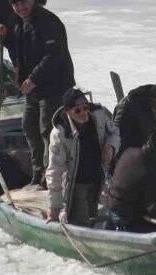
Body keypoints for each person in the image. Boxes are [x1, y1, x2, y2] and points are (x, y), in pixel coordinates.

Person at [0, 0, 75, 187]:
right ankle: (38, 174)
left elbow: (54, 55)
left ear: (32, 0)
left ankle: (51, 179)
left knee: (48, 130)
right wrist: (5, 38)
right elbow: (19, 51)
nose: (20, 7)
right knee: (29, 126)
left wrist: (34, 78)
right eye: (16, 4)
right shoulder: (20, 23)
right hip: (33, 88)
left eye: (24, 2)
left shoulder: (48, 22)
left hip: (54, 86)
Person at [44, 88, 119, 226]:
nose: (83, 113)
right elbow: (55, 170)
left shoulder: (99, 115)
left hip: (98, 179)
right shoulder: (60, 134)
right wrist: (54, 206)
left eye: (85, 107)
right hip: (76, 184)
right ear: (67, 111)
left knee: (94, 215)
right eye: (77, 110)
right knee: (81, 221)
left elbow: (114, 133)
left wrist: (110, 147)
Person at [104, 130, 156, 232]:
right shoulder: (154, 172)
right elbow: (155, 209)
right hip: (126, 217)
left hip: (110, 205)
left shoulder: (129, 151)